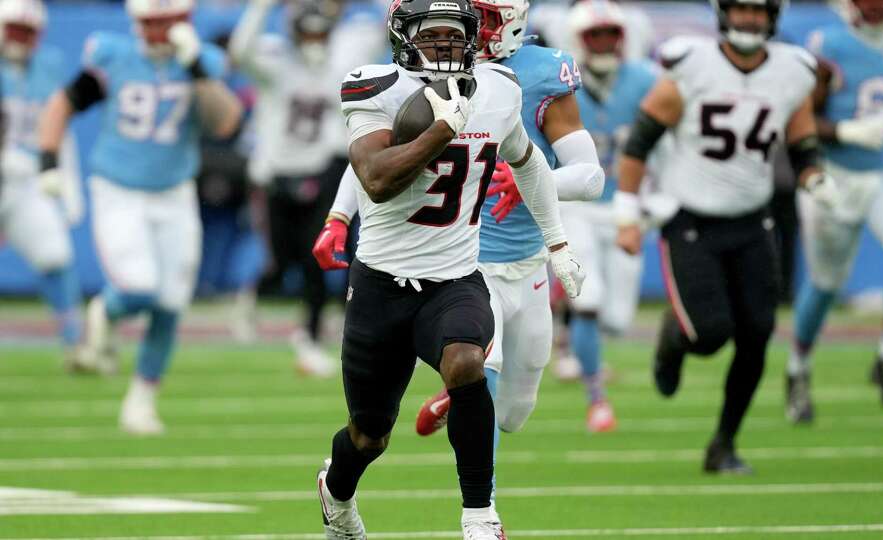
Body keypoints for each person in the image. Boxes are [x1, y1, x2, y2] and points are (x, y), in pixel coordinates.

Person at [312, 0, 584, 537]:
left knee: (465, 363)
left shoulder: (500, 88)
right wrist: (440, 130)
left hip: (456, 276)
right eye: (432, 35)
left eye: (454, 35)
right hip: (381, 285)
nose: (445, 46)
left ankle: (480, 516)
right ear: (403, 37)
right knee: (369, 436)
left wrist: (557, 242)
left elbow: (527, 161)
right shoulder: (373, 86)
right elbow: (375, 177)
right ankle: (336, 491)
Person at [614, 0, 838, 473]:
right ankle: (675, 338)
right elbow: (639, 143)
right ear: (723, 13)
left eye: (758, 12)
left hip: (753, 220)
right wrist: (628, 213)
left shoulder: (791, 71)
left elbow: (801, 141)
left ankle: (724, 444)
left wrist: (814, 175)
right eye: (741, 10)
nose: (750, 20)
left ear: (773, 17)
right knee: (710, 333)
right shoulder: (693, 65)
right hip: (691, 220)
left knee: (757, 334)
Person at [37, 0, 243, 435]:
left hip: (174, 193)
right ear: (138, 23)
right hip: (120, 190)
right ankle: (104, 312)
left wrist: (195, 68)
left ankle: (141, 401)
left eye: (170, 22)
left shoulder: (200, 61)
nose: (162, 31)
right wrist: (48, 161)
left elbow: (226, 123)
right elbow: (61, 105)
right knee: (137, 289)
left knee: (170, 305)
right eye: (155, 23)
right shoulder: (112, 56)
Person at [786, 0, 883, 422]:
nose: (875, 7)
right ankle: (797, 369)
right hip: (834, 175)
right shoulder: (828, 45)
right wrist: (845, 130)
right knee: (825, 285)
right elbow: (799, 119)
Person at [550, 0, 658, 432]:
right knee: (589, 303)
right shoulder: (558, 82)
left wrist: (658, 199)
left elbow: (663, 143)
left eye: (610, 35)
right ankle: (597, 398)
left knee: (616, 318)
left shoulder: (645, 80)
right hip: (574, 205)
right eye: (595, 35)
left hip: (622, 207)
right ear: (578, 40)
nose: (604, 43)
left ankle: (581, 348)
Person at [230, 0, 352, 376]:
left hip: (317, 174)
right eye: (308, 31)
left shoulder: (337, 69)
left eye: (321, 31)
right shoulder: (277, 67)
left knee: (316, 261)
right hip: (275, 178)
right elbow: (239, 51)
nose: (315, 39)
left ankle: (310, 339)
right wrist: (260, 8)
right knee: (280, 264)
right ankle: (249, 299)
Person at [0, 0, 84, 370]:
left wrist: (69, 183)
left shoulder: (48, 65)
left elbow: (58, 128)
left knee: (55, 255)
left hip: (26, 180)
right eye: (14, 31)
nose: (19, 41)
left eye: (27, 33)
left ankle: (75, 343)